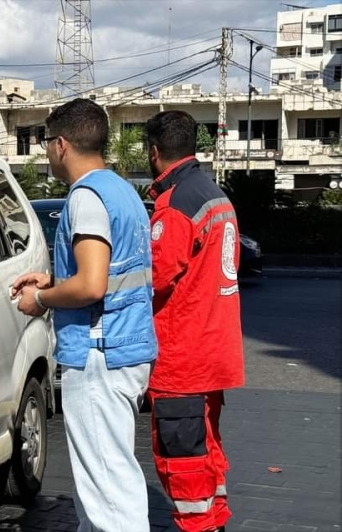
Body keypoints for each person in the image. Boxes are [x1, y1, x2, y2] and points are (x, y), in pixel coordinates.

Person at [11, 98, 157, 531]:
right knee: (108, 484)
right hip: (123, 346)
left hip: (98, 354)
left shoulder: (86, 197)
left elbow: (92, 285)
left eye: (46, 143)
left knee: (109, 494)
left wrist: (41, 299)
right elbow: (110, 272)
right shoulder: (121, 191)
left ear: (60, 144)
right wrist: (55, 279)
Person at [144, 110, 245, 532]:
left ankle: (201, 526)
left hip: (182, 357)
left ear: (154, 152)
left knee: (182, 460)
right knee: (206, 454)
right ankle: (214, 522)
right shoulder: (215, 195)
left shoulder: (175, 205)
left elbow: (155, 277)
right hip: (214, 349)